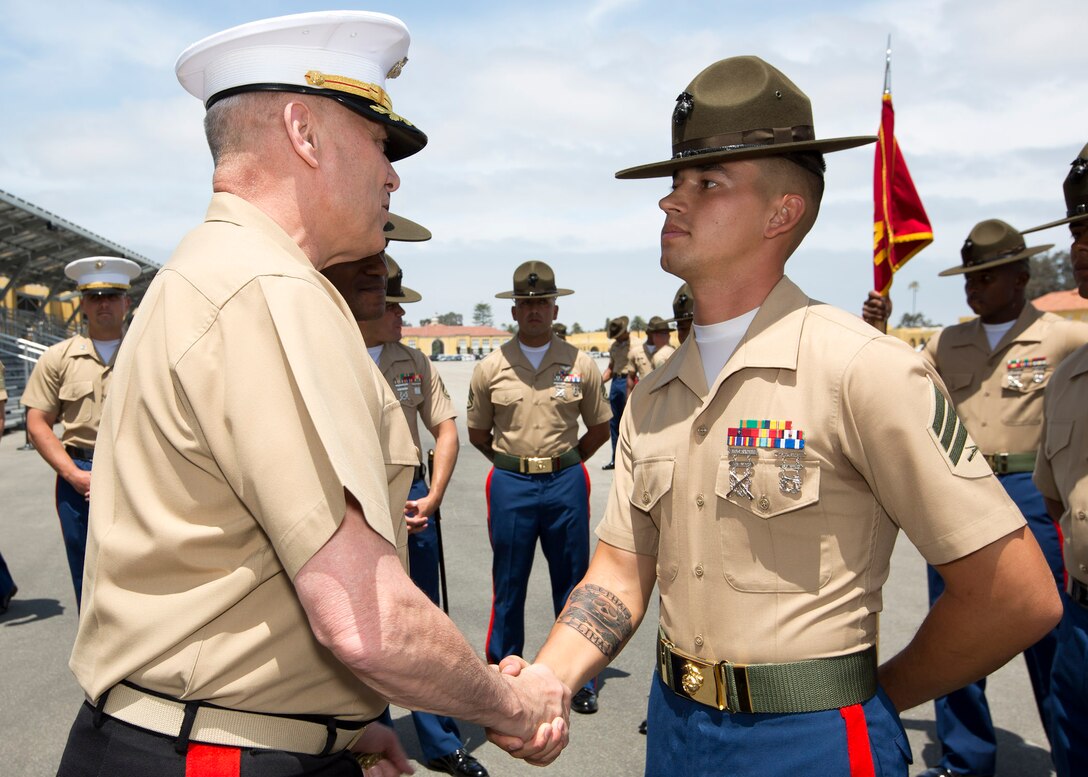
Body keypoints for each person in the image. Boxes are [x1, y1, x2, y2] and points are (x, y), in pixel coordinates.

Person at [492, 55, 1063, 775]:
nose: (671, 202)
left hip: (813, 742)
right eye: (674, 183)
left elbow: (1015, 593)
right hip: (674, 729)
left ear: (781, 212)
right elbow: (619, 572)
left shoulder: (864, 370)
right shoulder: (659, 392)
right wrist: (551, 676)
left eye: (705, 183)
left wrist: (877, 696)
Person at [58, 13, 568, 777]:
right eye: (377, 141)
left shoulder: (196, 274)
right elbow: (363, 617)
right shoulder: (271, 291)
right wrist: (508, 703)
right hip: (213, 755)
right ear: (304, 131)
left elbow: (220, 567)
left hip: (178, 733)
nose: (392, 175)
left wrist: (335, 729)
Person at [863, 218, 1088, 777]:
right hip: (963, 493)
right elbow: (905, 390)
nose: (974, 287)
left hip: (1033, 494)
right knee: (956, 624)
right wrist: (883, 332)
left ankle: (1069, 752)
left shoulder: (1065, 338)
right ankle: (965, 760)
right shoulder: (946, 341)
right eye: (969, 277)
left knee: (1050, 634)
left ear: (1021, 276)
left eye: (986, 276)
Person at [354, 251, 490, 777]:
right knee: (361, 626)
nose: (401, 316)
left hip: (409, 501)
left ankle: (439, 739)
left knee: (424, 622)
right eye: (395, 306)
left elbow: (447, 430)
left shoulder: (413, 362)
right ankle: (370, 736)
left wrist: (433, 495)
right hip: (354, 503)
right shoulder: (330, 354)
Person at [467, 260, 611, 715]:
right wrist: (517, 465)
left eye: (542, 302)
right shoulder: (491, 367)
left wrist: (563, 463)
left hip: (566, 480)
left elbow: (599, 427)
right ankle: (501, 676)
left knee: (572, 584)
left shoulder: (579, 363)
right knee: (508, 583)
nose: (533, 310)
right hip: (511, 483)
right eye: (525, 303)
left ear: (554, 309)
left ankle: (576, 677)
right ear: (514, 311)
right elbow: (477, 434)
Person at [20, 256, 139, 610]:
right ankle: (97, 658)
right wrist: (74, 475)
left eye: (112, 295)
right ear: (83, 303)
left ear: (126, 303)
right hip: (77, 478)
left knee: (141, 569)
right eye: (95, 295)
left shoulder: (148, 353)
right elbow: (37, 421)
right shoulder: (57, 358)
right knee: (86, 573)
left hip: (136, 474)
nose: (104, 302)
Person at [1030, 141, 1088, 777]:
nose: (1080, 248)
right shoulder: (1072, 374)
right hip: (1081, 619)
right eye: (1076, 230)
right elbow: (1056, 500)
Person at [627, 316, 674, 392]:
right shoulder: (635, 352)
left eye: (665, 333)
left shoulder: (671, 352)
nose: (667, 336)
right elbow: (630, 378)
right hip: (644, 395)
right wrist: (628, 400)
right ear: (648, 332)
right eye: (658, 332)